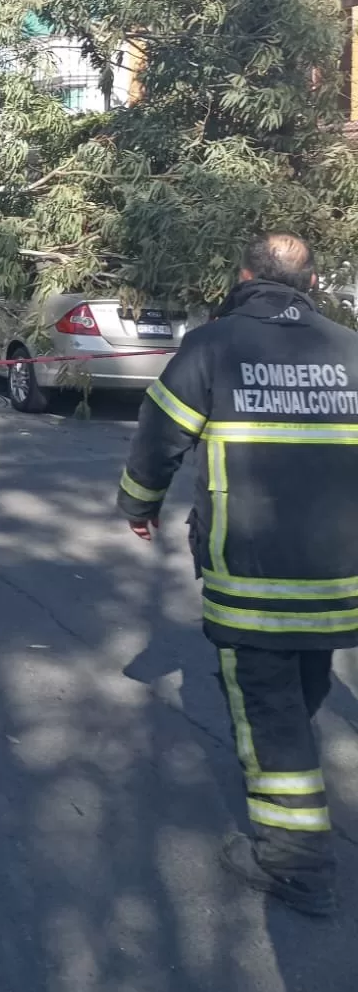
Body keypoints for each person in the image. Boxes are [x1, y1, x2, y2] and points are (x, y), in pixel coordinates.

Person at [118, 230, 358, 918]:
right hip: (339, 580)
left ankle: (297, 864)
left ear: (244, 275)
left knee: (272, 712)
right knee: (304, 683)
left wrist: (139, 504)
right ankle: (294, 780)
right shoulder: (350, 349)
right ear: (310, 284)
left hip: (254, 579)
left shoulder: (214, 346)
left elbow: (159, 434)